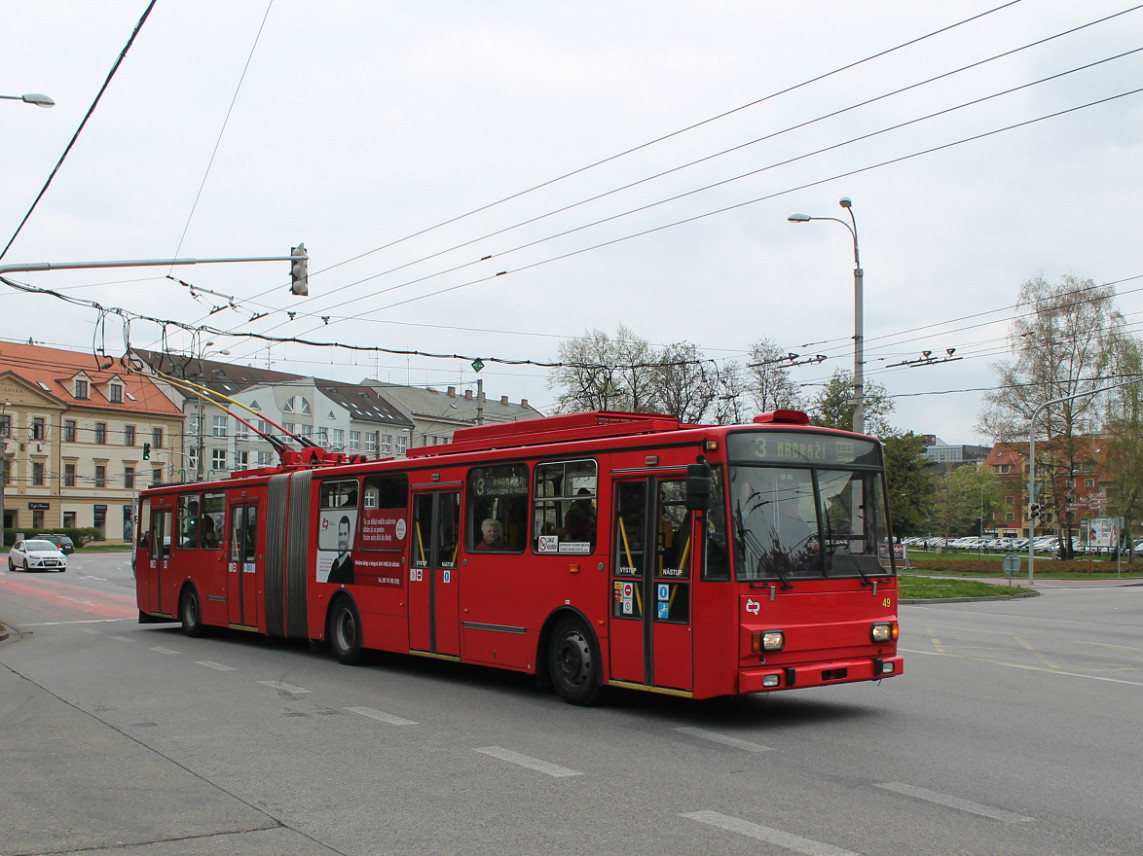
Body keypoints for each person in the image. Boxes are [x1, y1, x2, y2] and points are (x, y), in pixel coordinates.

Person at [327, 515, 355, 583]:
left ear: (349, 536)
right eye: (340, 534)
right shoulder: (336, 562)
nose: (342, 539)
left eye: (345, 534)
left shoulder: (350, 565)